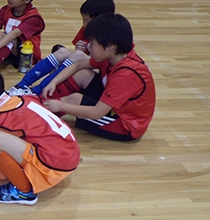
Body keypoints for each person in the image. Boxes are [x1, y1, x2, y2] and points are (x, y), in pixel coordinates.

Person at [0, 68, 80, 205]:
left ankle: (23, 192)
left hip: (54, 164)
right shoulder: (25, 97)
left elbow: (1, 176)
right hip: (71, 153)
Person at [42, 13, 156, 141]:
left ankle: (38, 117)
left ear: (110, 46)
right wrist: (53, 82)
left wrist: (61, 106)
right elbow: (77, 66)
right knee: (83, 74)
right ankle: (43, 104)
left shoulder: (126, 75)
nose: (88, 47)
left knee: (73, 100)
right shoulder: (115, 55)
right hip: (114, 104)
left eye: (92, 43)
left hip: (125, 125)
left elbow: (97, 112)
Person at [10, 0, 115, 97]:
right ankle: (21, 86)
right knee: (62, 51)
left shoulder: (109, 39)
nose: (85, 24)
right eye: (83, 20)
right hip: (87, 68)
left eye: (88, 21)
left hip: (99, 78)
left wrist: (80, 54)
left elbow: (100, 64)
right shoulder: (87, 29)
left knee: (77, 56)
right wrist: (79, 49)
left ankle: (37, 92)